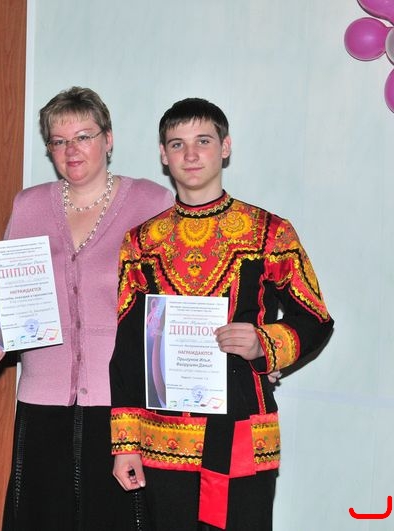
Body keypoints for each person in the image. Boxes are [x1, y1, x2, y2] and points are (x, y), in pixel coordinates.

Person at [109, 98, 334, 530]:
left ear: (225, 147)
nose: (190, 154)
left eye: (203, 141)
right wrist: (124, 443)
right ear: (163, 155)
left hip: (242, 429)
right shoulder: (141, 243)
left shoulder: (269, 232)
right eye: (177, 144)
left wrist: (263, 342)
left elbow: (315, 319)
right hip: (163, 439)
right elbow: (128, 349)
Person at [0, 86, 174, 530]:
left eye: (83, 136)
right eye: (59, 141)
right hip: (42, 398)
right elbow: (5, 297)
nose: (71, 150)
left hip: (119, 401)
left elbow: (178, 298)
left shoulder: (152, 202)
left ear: (108, 139)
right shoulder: (28, 204)